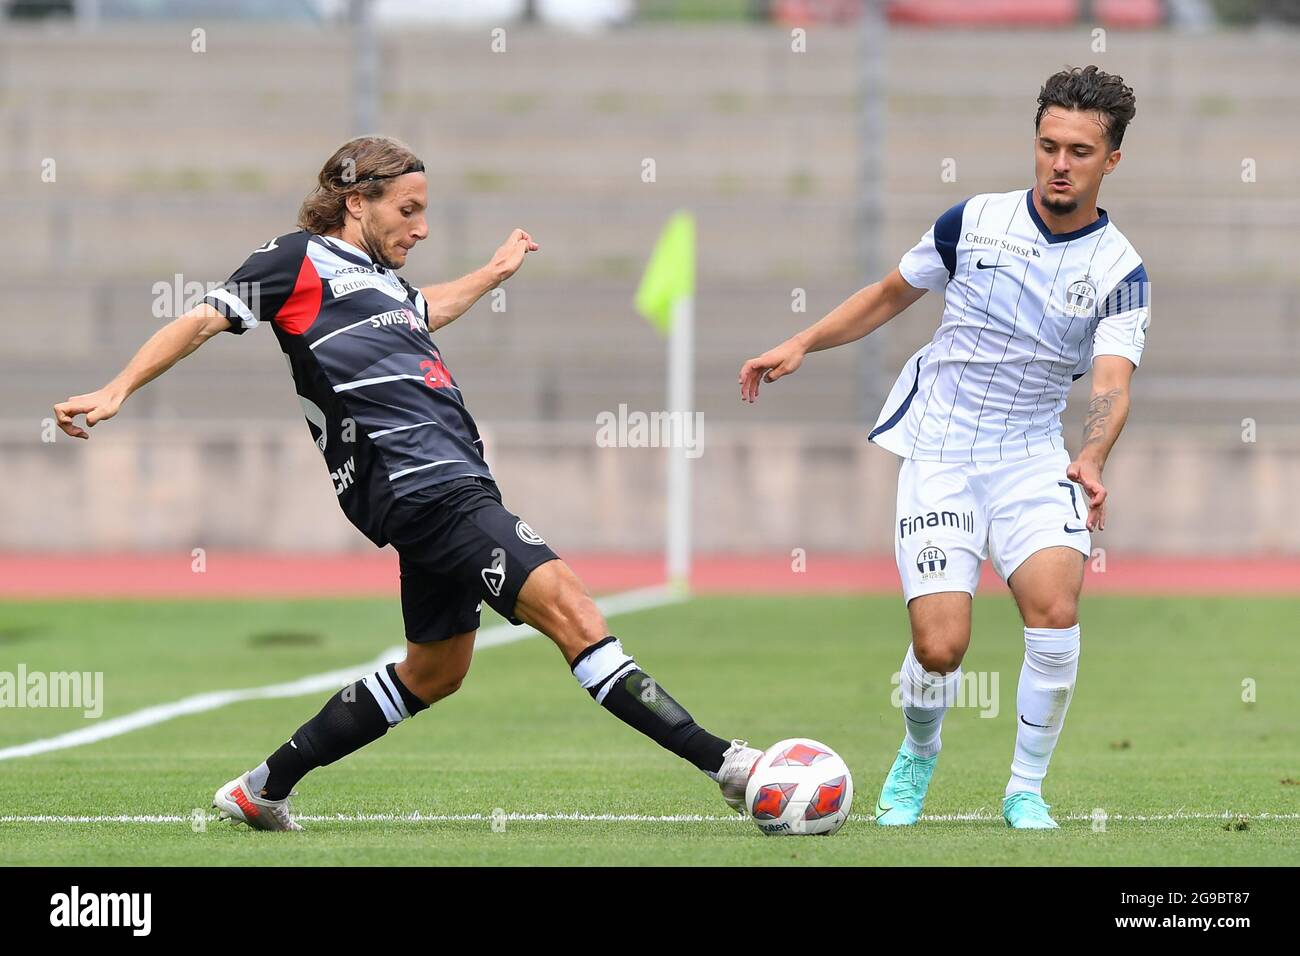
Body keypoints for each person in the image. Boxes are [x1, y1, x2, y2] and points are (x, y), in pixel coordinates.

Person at [55, 135, 761, 831]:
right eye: (408, 210)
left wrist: (490, 274)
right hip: (426, 486)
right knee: (575, 614)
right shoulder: (297, 259)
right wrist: (117, 388)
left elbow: (425, 310)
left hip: (441, 485)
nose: (421, 229)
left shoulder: (383, 283)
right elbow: (203, 319)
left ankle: (260, 790)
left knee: (435, 672)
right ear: (356, 203)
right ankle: (728, 767)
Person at [738, 67, 1149, 829]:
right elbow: (891, 293)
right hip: (943, 450)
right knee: (939, 649)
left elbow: (1112, 383)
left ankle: (1025, 789)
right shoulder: (974, 221)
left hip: (1033, 453)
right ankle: (918, 753)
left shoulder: (1120, 270)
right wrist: (803, 341)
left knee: (1055, 613)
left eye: (1080, 152)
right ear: (1035, 142)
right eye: (1048, 145)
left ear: (1110, 161)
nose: (1060, 163)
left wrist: (1091, 458)